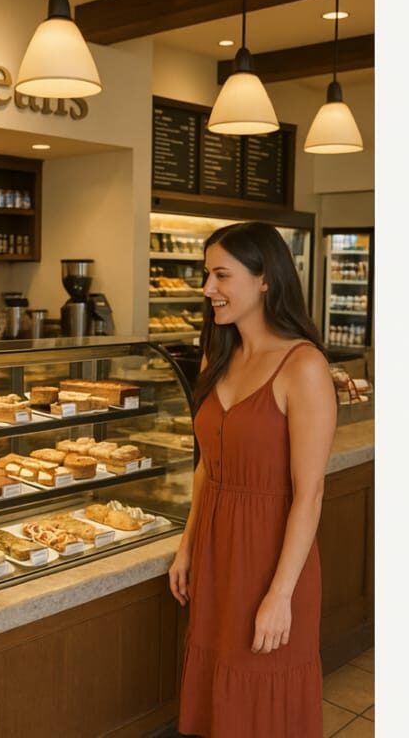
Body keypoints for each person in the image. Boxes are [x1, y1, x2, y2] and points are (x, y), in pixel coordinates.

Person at [168, 222, 337, 738]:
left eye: (222, 275)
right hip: (218, 556)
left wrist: (280, 594)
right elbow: (207, 466)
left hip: (271, 560)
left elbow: (309, 495)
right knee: (220, 699)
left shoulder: (302, 365)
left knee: (263, 695)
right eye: (205, 276)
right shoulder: (217, 355)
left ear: (266, 280)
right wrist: (188, 546)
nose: (207, 289)